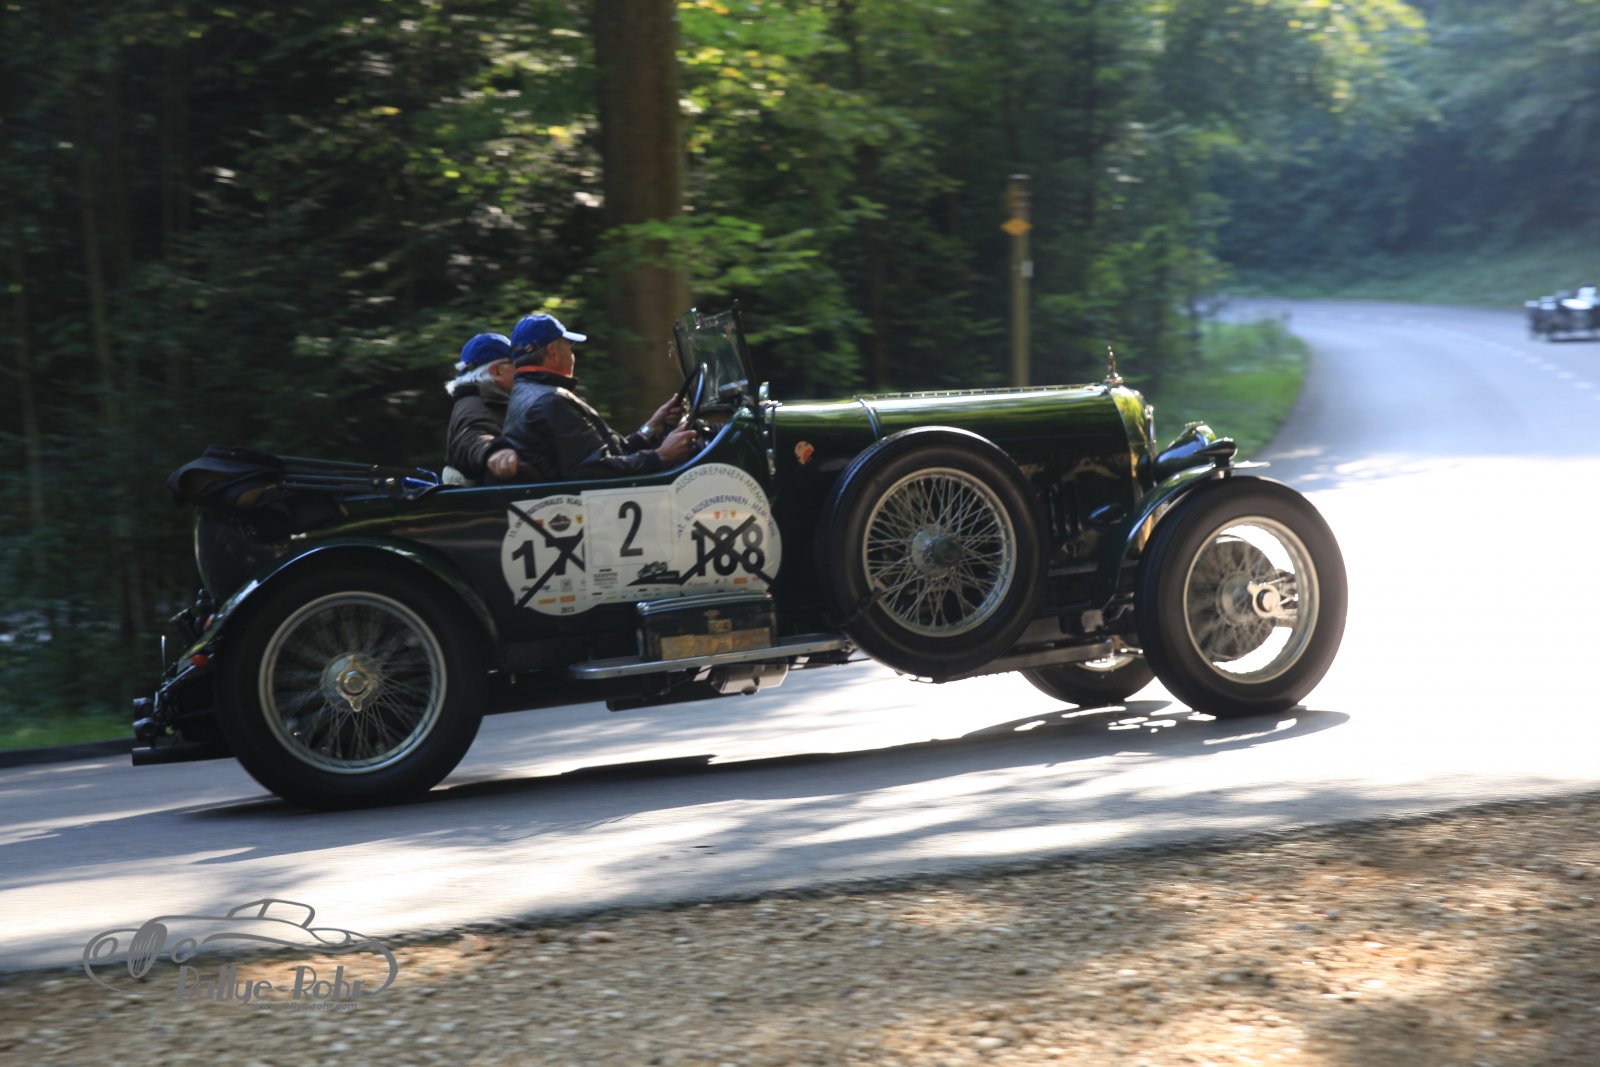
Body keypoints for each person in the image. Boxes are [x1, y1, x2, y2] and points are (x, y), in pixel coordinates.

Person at [490, 312, 695, 482]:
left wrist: (652, 427)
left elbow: (606, 454)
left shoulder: (527, 392)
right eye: (569, 346)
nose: (572, 354)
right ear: (553, 351)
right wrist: (660, 457)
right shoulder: (551, 401)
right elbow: (592, 468)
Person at [442, 332, 521, 485]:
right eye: (516, 363)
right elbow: (470, 437)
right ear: (496, 371)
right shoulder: (474, 404)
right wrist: (493, 452)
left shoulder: (485, 398)